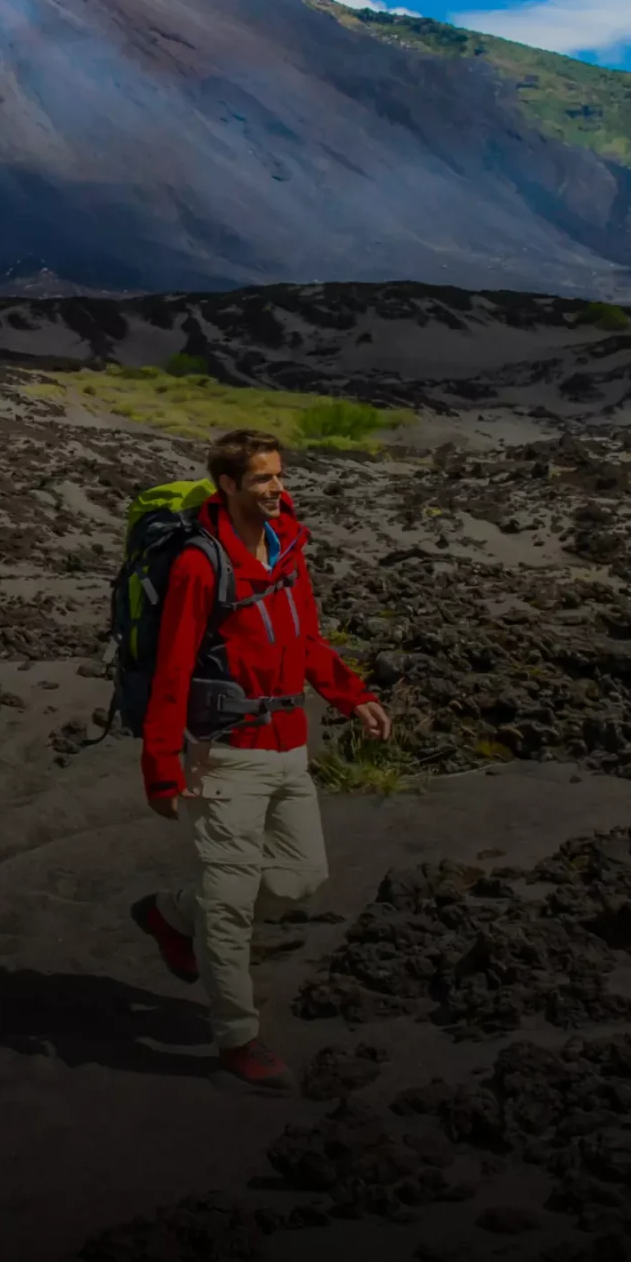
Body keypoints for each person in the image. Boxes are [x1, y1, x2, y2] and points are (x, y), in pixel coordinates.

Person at [127, 428, 391, 1092]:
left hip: (290, 745)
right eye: (263, 479)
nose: (277, 489)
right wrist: (161, 766)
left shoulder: (289, 548)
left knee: (300, 878)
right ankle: (237, 1038)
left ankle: (170, 912)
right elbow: (171, 669)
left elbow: (305, 637)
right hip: (226, 756)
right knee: (230, 907)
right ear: (227, 485)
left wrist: (350, 694)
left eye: (279, 475)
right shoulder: (198, 563)